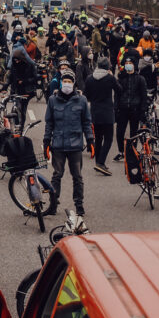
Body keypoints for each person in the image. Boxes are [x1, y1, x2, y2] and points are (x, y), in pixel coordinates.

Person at [43, 68, 93, 218]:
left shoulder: (81, 100)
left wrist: (90, 140)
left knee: (77, 176)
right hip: (58, 144)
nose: (66, 84)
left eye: (69, 81)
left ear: (74, 83)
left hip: (75, 145)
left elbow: (86, 122)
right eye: (64, 81)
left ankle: (79, 205)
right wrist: (46, 141)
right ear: (60, 83)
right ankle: (53, 204)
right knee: (57, 175)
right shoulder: (53, 100)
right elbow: (49, 123)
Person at [83, 57, 118, 174]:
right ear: (108, 67)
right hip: (107, 112)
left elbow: (86, 95)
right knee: (108, 138)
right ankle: (101, 162)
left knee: (98, 138)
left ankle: (98, 162)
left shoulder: (89, 78)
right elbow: (119, 90)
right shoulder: (110, 78)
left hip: (94, 111)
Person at [114, 55, 149, 148]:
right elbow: (117, 95)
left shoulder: (140, 79)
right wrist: (115, 109)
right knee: (120, 132)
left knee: (134, 132)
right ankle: (121, 150)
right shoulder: (121, 78)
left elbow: (144, 96)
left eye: (130, 63)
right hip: (123, 109)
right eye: (126, 63)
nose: (128, 65)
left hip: (135, 109)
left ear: (134, 65)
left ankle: (132, 150)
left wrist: (142, 110)